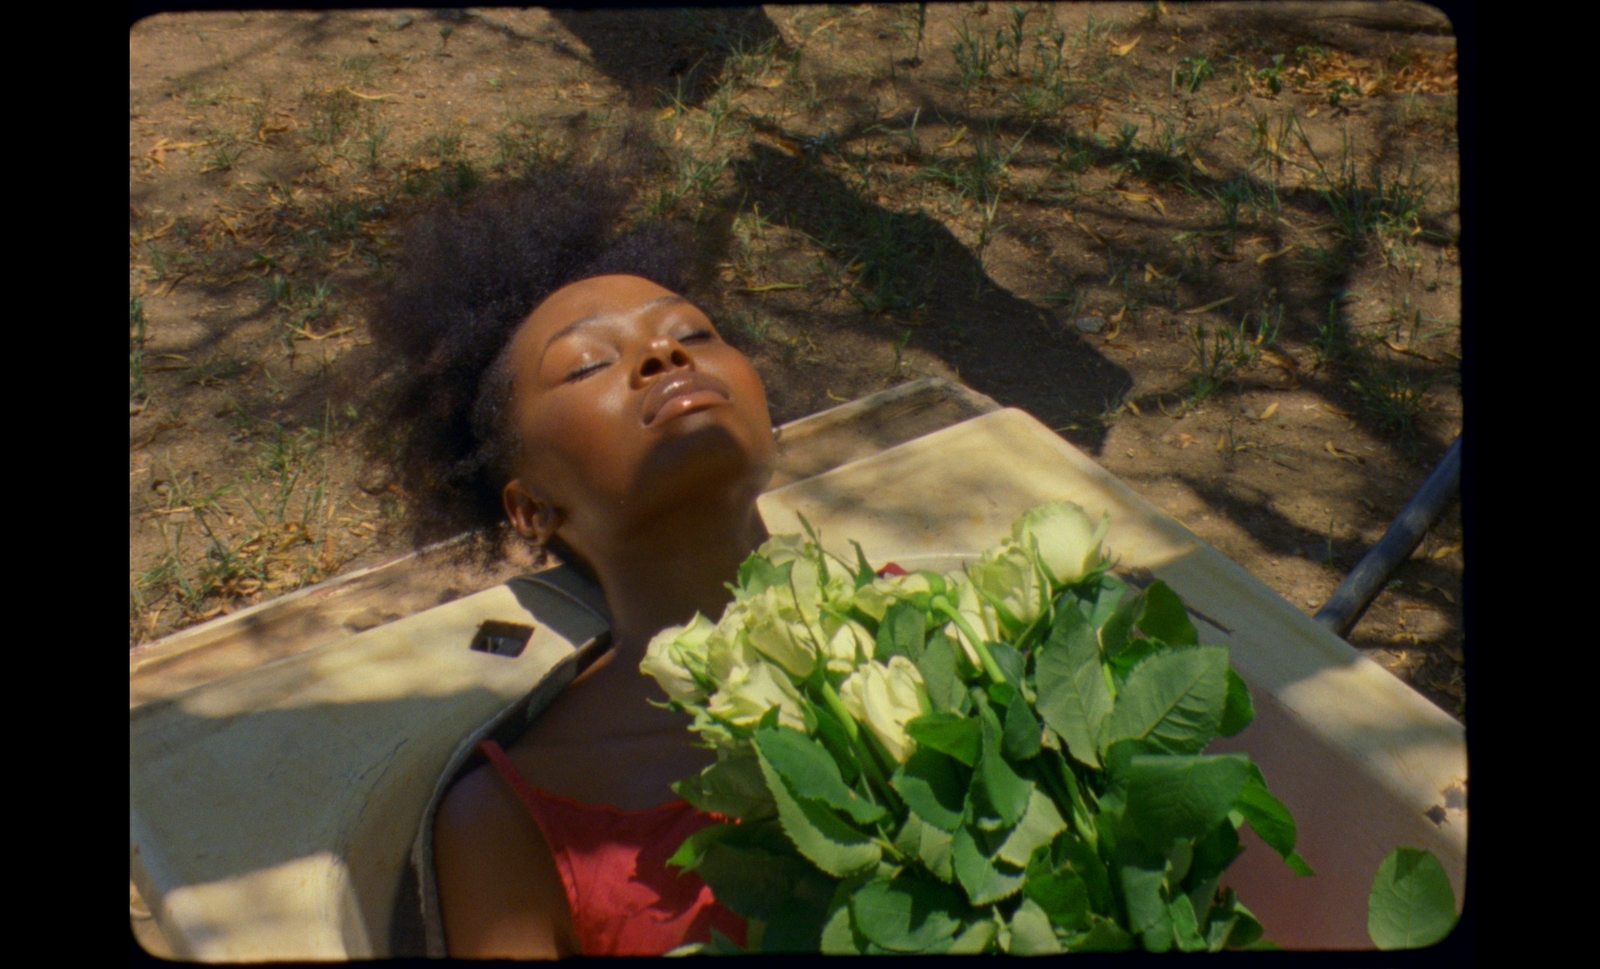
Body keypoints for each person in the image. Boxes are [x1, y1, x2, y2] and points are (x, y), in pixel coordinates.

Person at [366, 164, 776, 958]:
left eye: (692, 334)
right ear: (530, 507)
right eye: (589, 364)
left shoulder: (952, 625)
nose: (662, 357)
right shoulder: (508, 820)